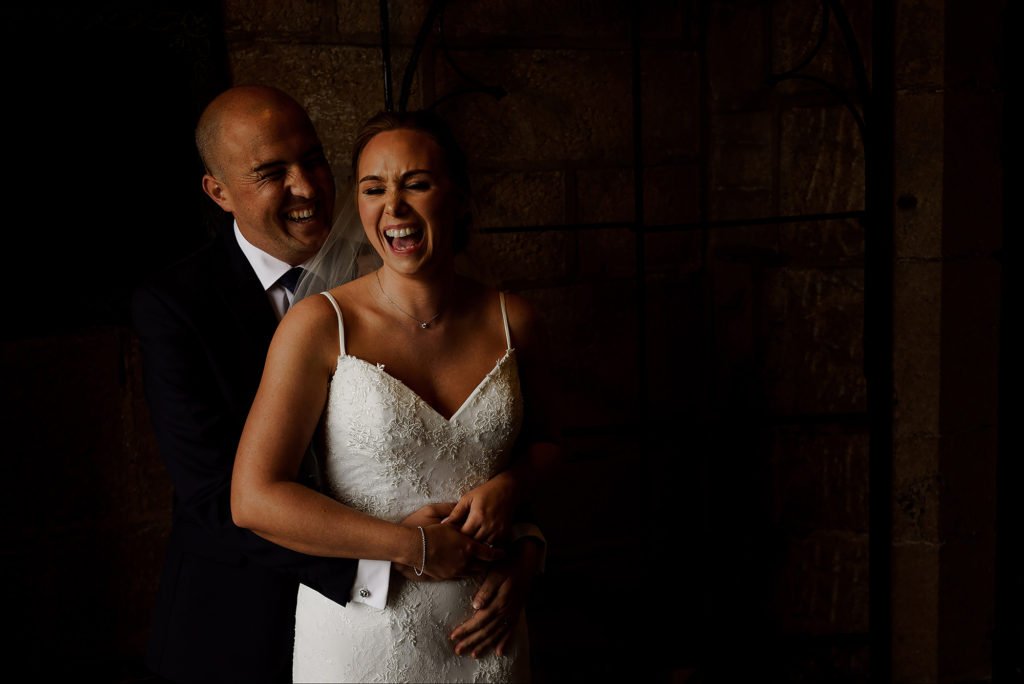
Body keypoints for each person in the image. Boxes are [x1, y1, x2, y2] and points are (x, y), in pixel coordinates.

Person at [231, 108, 561, 682]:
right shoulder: (319, 326)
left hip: (491, 629)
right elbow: (254, 499)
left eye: (417, 184)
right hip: (365, 636)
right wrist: (414, 546)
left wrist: (514, 495)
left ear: (458, 197)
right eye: (373, 189)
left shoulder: (516, 321)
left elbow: (550, 445)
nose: (394, 207)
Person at [131, 85, 441, 683]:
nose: (306, 187)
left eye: (314, 159)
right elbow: (212, 495)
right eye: (272, 173)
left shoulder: (392, 264)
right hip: (241, 626)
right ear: (219, 192)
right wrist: (384, 564)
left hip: (410, 620)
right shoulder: (175, 306)